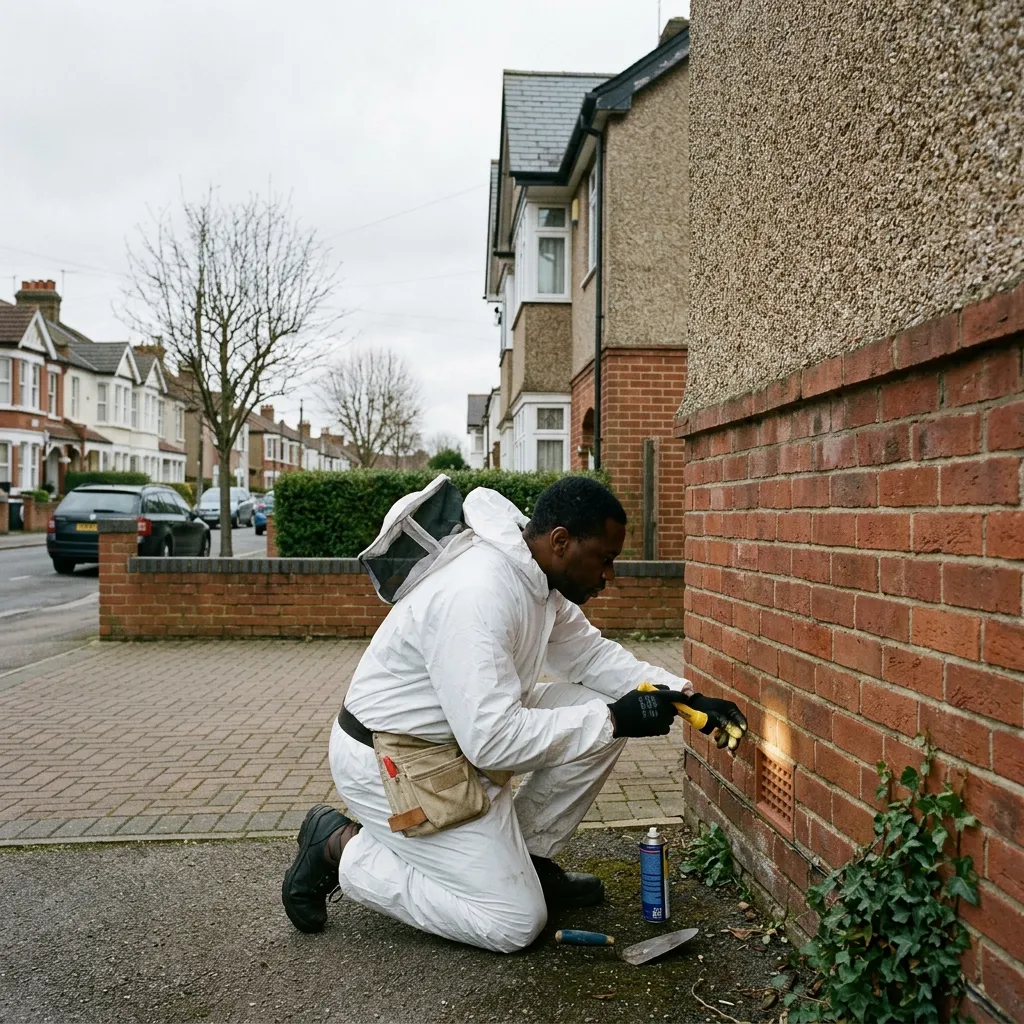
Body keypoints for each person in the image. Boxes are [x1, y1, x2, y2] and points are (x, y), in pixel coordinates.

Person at [281, 477, 747, 953]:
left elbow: (590, 659)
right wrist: (613, 720)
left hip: (452, 745)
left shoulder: (539, 579)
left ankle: (530, 862)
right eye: (604, 559)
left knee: (591, 710)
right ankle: (340, 848)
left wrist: (687, 700)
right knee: (513, 923)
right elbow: (494, 740)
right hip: (393, 761)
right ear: (561, 541)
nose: (609, 574)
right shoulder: (479, 591)